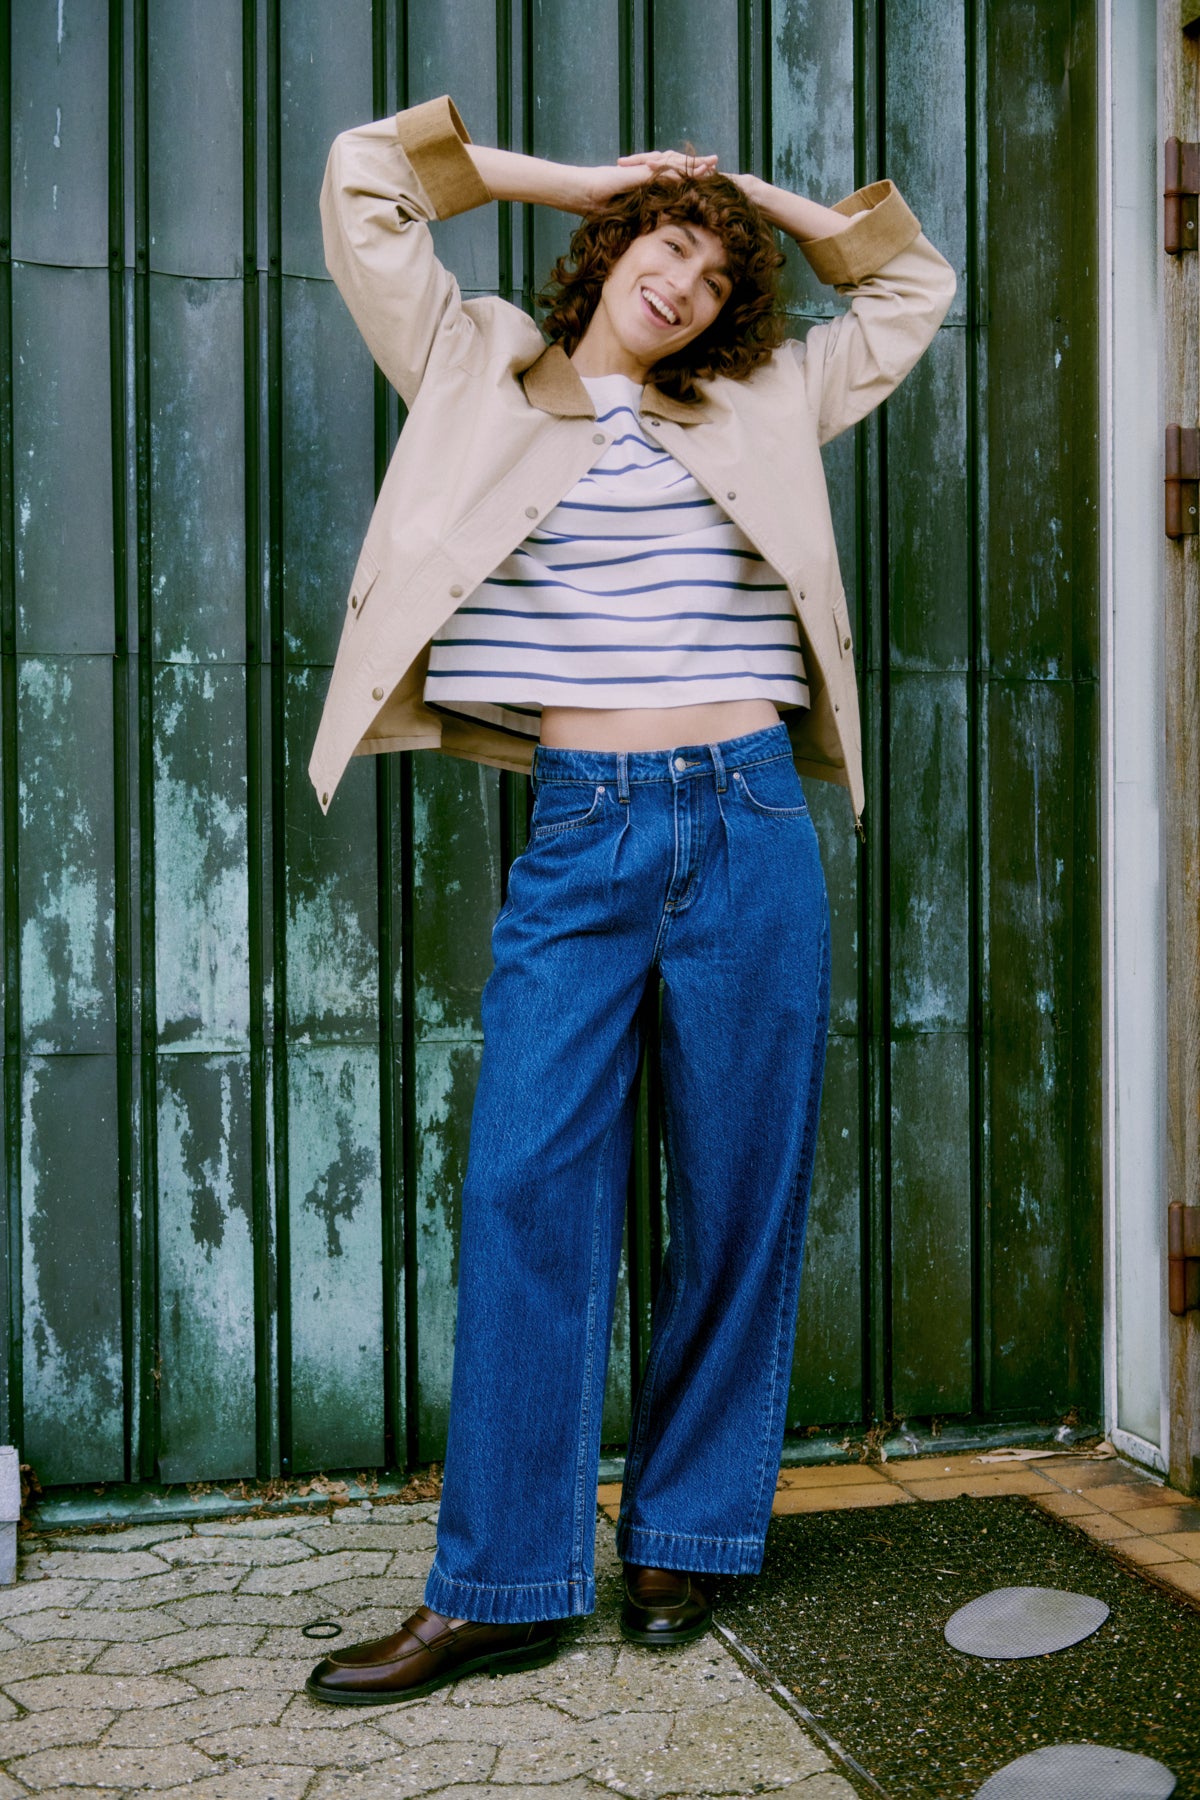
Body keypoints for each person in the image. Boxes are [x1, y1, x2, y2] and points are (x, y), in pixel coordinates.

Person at [304, 96, 955, 1706]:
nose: (687, 285)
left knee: (738, 1190)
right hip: (584, 825)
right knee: (528, 1184)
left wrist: (751, 204)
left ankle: (687, 1535)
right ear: (612, 248)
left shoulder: (762, 397)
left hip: (750, 818)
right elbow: (368, 177)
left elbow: (909, 285)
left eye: (716, 278)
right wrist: (598, 178)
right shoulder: (476, 363)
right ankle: (503, 1583)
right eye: (668, 249)